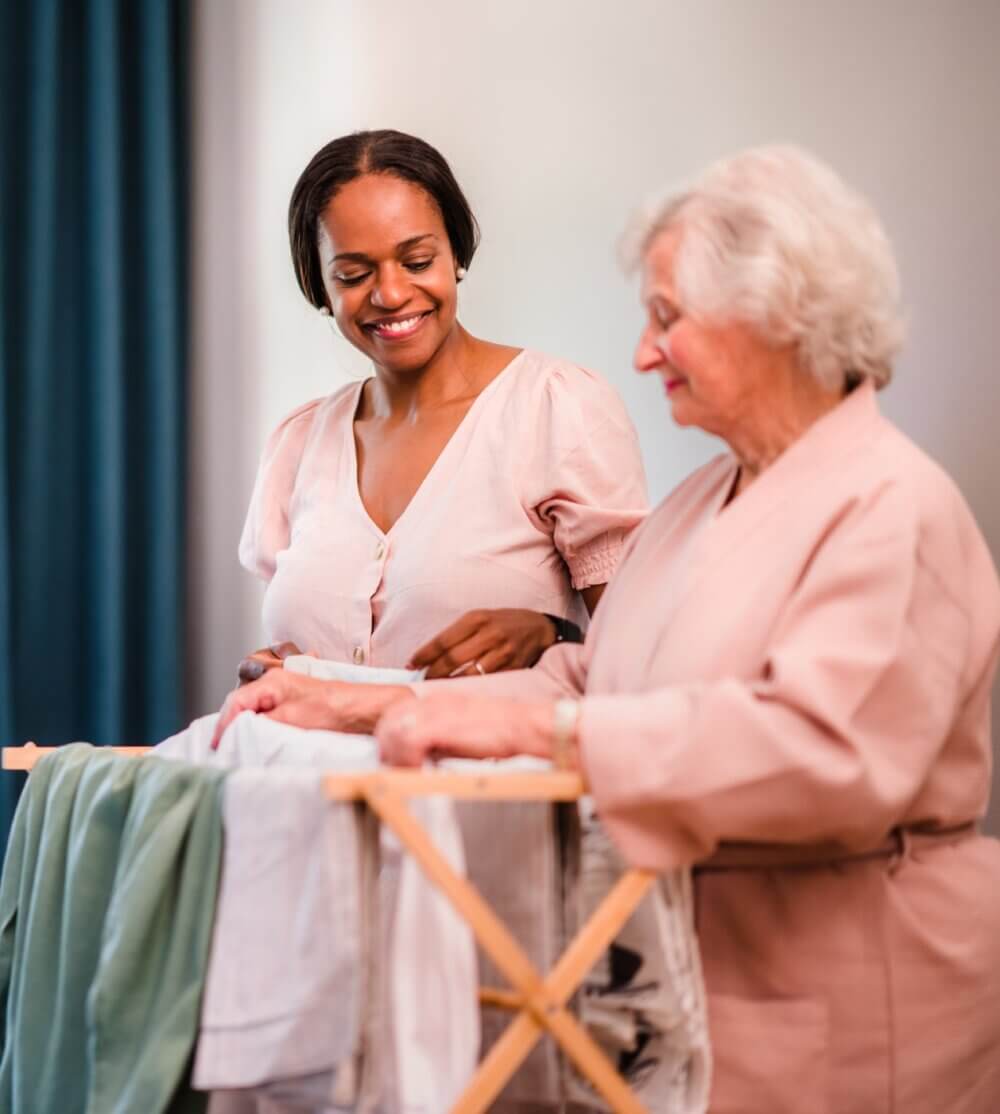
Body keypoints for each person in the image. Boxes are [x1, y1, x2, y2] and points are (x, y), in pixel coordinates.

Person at [217, 146, 1000, 1113]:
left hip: (852, 1000)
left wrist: (536, 733)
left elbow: (820, 754)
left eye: (668, 319)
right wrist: (345, 702)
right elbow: (594, 679)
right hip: (689, 990)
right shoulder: (707, 499)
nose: (643, 351)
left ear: (778, 320)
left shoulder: (893, 505)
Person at [236, 128, 647, 691]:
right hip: (309, 775)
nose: (390, 293)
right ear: (320, 286)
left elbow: (647, 655)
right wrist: (273, 675)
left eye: (417, 260)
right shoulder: (299, 443)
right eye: (353, 275)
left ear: (456, 253)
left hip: (489, 779)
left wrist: (554, 634)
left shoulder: (555, 408)